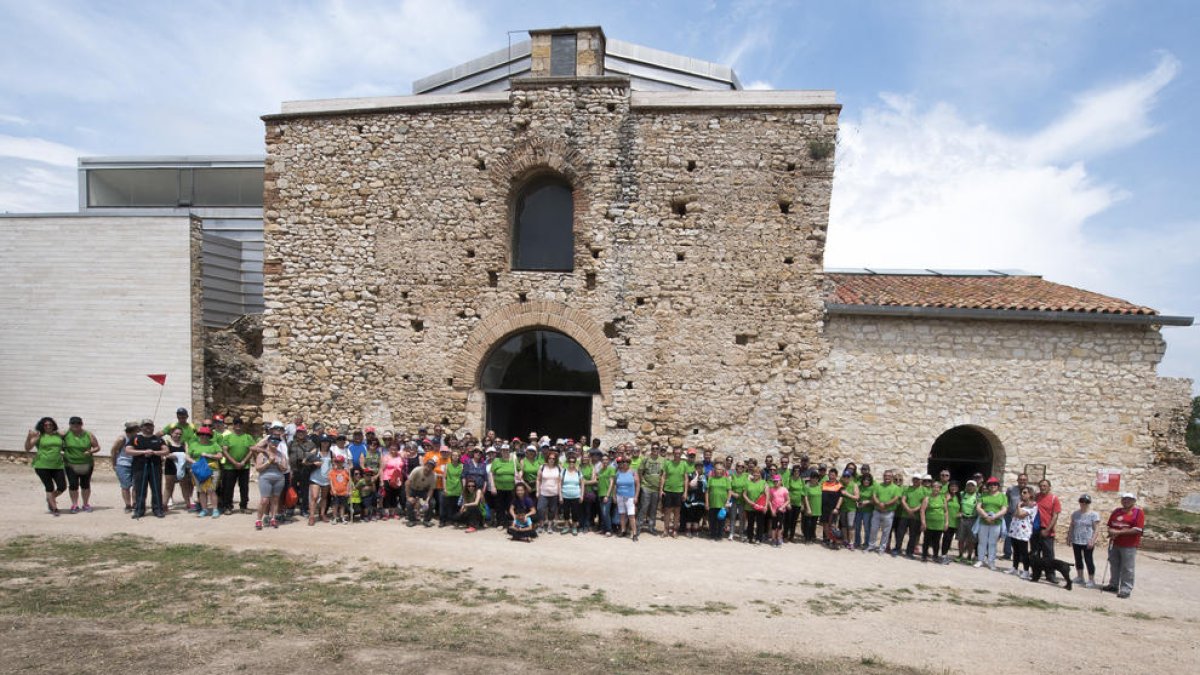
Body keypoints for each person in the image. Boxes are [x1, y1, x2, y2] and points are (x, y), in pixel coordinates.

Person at [1104, 492, 1144, 599]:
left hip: (1129, 544)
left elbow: (1137, 529)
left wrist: (1118, 533)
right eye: (1124, 499)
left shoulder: (1138, 512)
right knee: (1114, 564)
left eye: (1129, 499)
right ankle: (1113, 584)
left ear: (1134, 501)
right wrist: (1111, 531)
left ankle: (1126, 588)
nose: (1126, 501)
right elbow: (1110, 525)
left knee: (1127, 567)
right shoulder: (1117, 511)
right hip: (1115, 543)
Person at [127, 419, 168, 518]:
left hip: (155, 467)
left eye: (150, 426)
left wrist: (154, 452)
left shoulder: (158, 439)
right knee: (140, 489)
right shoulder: (136, 438)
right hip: (140, 467)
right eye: (146, 426)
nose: (148, 428)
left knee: (156, 488)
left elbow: (166, 450)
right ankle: (139, 510)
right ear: (141, 428)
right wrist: (144, 452)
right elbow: (128, 450)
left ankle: (158, 509)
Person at [26, 417, 66, 515]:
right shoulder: (39, 436)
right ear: (42, 426)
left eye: (50, 424)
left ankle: (50, 498)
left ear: (53, 425)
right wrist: (29, 437)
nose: (48, 426)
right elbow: (28, 448)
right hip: (42, 465)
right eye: (46, 425)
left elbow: (68, 436)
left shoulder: (58, 435)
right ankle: (54, 508)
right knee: (49, 487)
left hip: (57, 465)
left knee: (62, 486)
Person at [61, 416, 100, 513]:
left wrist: (90, 451)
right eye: (73, 423)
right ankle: (74, 504)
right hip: (70, 463)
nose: (75, 425)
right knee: (73, 484)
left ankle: (86, 504)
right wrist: (61, 452)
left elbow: (97, 447)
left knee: (85, 484)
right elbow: (56, 442)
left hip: (86, 463)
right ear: (70, 424)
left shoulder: (88, 434)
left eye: (78, 423)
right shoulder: (65, 434)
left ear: (81, 424)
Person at [218, 418, 257, 515]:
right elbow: (225, 451)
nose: (238, 425)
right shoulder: (227, 437)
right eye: (236, 424)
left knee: (244, 487)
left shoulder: (248, 437)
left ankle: (244, 506)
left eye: (240, 424)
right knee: (228, 487)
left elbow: (252, 450)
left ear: (242, 425)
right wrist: (234, 462)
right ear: (233, 425)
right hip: (229, 467)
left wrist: (243, 461)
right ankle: (228, 506)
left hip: (245, 466)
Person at [186, 426, 222, 518]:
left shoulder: (214, 444)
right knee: (201, 490)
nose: (204, 436)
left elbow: (219, 456)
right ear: (199, 435)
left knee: (211, 490)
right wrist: (195, 462)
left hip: (212, 469)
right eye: (202, 434)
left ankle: (215, 509)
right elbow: (187, 456)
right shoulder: (194, 444)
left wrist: (208, 455)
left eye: (206, 434)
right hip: (198, 470)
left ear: (209, 436)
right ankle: (204, 509)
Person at [1033, 479, 1063, 583]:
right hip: (1036, 528)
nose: (1043, 487)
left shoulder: (1054, 499)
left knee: (1048, 554)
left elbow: (1055, 516)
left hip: (1047, 529)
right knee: (1035, 552)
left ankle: (1050, 574)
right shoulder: (1036, 497)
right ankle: (1036, 572)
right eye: (1041, 485)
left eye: (1045, 486)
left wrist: (1047, 529)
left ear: (1049, 487)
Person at [975, 477, 1008, 570]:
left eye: (995, 484)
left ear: (998, 486)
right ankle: (980, 560)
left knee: (992, 543)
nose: (993, 486)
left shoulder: (1003, 496)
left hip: (996, 522)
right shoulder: (983, 495)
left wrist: (994, 517)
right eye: (990, 484)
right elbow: (978, 507)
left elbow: (1004, 509)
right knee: (982, 542)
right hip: (984, 521)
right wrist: (986, 516)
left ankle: (991, 561)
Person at [1068, 494, 1101, 588]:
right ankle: (1080, 576)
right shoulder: (1075, 514)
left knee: (1088, 560)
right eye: (1082, 501)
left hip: (1087, 540)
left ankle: (1091, 579)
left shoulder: (1094, 515)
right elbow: (1072, 526)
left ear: (1089, 503)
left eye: (1086, 502)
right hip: (1077, 539)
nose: (1083, 503)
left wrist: (1093, 540)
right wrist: (1069, 536)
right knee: (1078, 559)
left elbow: (1096, 529)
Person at [1006, 486, 1036, 579]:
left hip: (1024, 531)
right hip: (1015, 529)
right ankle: (1015, 568)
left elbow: (1021, 515)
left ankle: (1026, 570)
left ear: (1030, 494)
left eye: (1025, 492)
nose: (1022, 494)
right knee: (1016, 550)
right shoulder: (1022, 505)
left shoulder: (1033, 505)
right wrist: (1019, 507)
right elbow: (1014, 514)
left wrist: (1018, 507)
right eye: (1022, 493)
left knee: (1024, 552)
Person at [869, 470, 902, 554]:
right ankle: (871, 546)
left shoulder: (896, 488)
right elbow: (874, 496)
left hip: (888, 513)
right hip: (877, 511)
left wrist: (885, 504)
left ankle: (881, 549)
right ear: (883, 476)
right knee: (873, 530)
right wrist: (879, 503)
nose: (887, 477)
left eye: (889, 476)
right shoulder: (878, 486)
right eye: (885, 475)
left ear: (892, 477)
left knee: (886, 532)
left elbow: (895, 498)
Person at [659, 447, 689, 538]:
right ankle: (665, 530)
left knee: (677, 512)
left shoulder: (684, 464)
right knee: (667, 512)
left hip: (679, 491)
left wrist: (685, 492)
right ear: (673, 454)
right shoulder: (668, 463)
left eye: (679, 453)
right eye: (676, 453)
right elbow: (663, 477)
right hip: (668, 490)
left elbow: (686, 479)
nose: (677, 455)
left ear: (681, 454)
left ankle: (675, 531)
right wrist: (661, 490)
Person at [288, 424, 316, 516]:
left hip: (305, 469)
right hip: (294, 469)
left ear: (305, 433)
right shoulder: (291, 443)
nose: (300, 433)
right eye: (299, 432)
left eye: (302, 432)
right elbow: (287, 456)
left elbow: (314, 454)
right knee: (292, 489)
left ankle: (304, 509)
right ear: (296, 433)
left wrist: (306, 459)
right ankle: (291, 508)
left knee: (305, 490)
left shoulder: (310, 444)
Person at [162, 426, 191, 512]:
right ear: (171, 433)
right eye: (176, 433)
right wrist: (178, 455)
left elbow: (187, 454)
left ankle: (188, 503)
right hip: (170, 467)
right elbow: (165, 455)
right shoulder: (166, 443)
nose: (178, 435)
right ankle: (164, 505)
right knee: (168, 487)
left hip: (182, 467)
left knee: (185, 486)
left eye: (180, 434)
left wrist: (176, 455)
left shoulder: (184, 443)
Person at [111, 421, 139, 512]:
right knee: (125, 486)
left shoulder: (137, 438)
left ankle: (135, 503)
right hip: (123, 464)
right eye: (136, 428)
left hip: (135, 464)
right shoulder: (122, 439)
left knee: (136, 485)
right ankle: (128, 504)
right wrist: (114, 464)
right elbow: (114, 451)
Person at [306, 435, 333, 525]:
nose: (325, 443)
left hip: (326, 478)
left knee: (324, 497)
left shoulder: (331, 453)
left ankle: (322, 514)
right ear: (320, 442)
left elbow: (334, 464)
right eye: (323, 441)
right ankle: (312, 516)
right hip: (315, 478)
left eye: (327, 441)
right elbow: (305, 461)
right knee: (314, 497)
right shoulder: (315, 451)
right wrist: (314, 463)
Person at [488, 444, 517, 529]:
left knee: (510, 506)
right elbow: (491, 473)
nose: (505, 452)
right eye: (503, 450)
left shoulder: (513, 461)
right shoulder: (496, 461)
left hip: (511, 488)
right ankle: (500, 523)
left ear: (509, 451)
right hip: (499, 487)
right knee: (499, 506)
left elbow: (519, 470)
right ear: (501, 451)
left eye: (507, 450)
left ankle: (509, 522)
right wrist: (492, 486)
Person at [612, 456, 640, 541]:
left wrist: (636, 496)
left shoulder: (633, 472)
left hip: (630, 497)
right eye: (623, 462)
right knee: (622, 514)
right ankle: (623, 530)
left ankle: (634, 533)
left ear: (629, 463)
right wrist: (614, 496)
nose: (625, 463)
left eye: (627, 462)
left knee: (631, 515)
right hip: (620, 496)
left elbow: (638, 485)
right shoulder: (618, 472)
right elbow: (615, 485)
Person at [638, 444, 664, 534]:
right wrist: (642, 483)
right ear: (651, 449)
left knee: (653, 509)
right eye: (653, 448)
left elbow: (663, 474)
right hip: (646, 487)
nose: (655, 450)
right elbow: (640, 471)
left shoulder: (663, 460)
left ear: (659, 449)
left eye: (657, 448)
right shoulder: (645, 459)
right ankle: (639, 527)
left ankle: (651, 527)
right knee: (644, 507)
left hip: (656, 488)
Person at [920, 479, 948, 563]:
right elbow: (922, 510)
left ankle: (935, 556)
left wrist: (946, 522)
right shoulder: (927, 498)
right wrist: (923, 522)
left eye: (938, 487)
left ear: (940, 489)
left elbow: (946, 511)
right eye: (934, 487)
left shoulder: (943, 498)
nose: (936, 489)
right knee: (927, 540)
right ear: (931, 488)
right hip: (929, 523)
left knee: (937, 541)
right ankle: (924, 556)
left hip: (939, 523)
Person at [1002, 473, 1028, 560]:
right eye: (1020, 479)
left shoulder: (1030, 491)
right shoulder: (1011, 489)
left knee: (1021, 536)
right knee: (1008, 535)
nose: (1022, 481)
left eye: (1024, 480)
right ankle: (1007, 553)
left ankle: (1020, 556)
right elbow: (1007, 501)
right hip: (1011, 515)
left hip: (1023, 517)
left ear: (1027, 481)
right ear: (1017, 480)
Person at [535, 451, 563, 534]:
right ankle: (541, 525)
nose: (551, 460)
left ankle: (550, 526)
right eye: (550, 458)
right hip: (543, 492)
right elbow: (538, 479)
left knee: (552, 510)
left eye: (553, 458)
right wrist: (537, 491)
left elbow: (560, 481)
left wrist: (560, 493)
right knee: (540, 509)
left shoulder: (558, 468)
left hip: (554, 493)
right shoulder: (542, 467)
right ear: (547, 458)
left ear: (556, 459)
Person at [405, 458, 437, 527]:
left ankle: (426, 520)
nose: (428, 468)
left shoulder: (434, 476)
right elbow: (407, 483)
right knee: (409, 503)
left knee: (432, 502)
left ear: (433, 468)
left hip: (423, 490)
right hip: (413, 489)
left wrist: (427, 501)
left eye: (431, 467)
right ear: (424, 465)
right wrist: (408, 497)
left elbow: (431, 489)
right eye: (428, 466)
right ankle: (411, 520)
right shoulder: (417, 470)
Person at [379, 442, 407, 520]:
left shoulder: (400, 457)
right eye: (392, 449)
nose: (393, 451)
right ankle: (386, 514)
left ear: (398, 450)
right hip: (387, 478)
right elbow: (381, 469)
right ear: (389, 449)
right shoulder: (386, 457)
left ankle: (394, 513)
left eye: (395, 449)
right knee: (387, 496)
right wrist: (381, 481)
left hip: (398, 479)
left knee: (395, 495)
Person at [706, 464, 732, 541]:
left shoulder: (726, 479)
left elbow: (729, 491)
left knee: (721, 520)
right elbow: (707, 491)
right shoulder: (711, 479)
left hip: (722, 504)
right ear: (714, 470)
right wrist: (707, 502)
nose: (719, 471)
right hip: (712, 503)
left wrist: (727, 501)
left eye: (720, 469)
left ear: (723, 471)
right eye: (717, 469)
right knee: (712, 520)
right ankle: (712, 534)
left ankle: (719, 536)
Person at [957, 480, 981, 562]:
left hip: (973, 519)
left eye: (972, 486)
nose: (970, 487)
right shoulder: (962, 494)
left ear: (976, 487)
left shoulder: (978, 496)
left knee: (971, 540)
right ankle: (960, 554)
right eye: (968, 485)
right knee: (961, 538)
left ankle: (969, 556)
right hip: (962, 519)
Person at [682, 460, 707, 537]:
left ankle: (695, 531)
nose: (699, 468)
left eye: (701, 466)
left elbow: (706, 489)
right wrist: (696, 476)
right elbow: (689, 485)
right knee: (690, 516)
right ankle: (688, 531)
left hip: (701, 500)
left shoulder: (704, 477)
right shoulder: (690, 475)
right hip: (691, 499)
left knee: (697, 516)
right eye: (698, 466)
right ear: (695, 467)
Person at [742, 469, 768, 545]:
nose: (755, 474)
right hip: (750, 506)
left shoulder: (764, 482)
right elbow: (744, 494)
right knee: (750, 523)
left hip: (760, 507)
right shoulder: (748, 483)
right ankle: (750, 537)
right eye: (754, 473)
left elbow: (767, 495)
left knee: (760, 524)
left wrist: (766, 506)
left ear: (760, 474)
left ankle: (758, 539)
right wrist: (750, 502)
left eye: (757, 473)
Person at [560, 455, 584, 535]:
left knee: (575, 512)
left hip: (576, 495)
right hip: (565, 495)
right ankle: (566, 526)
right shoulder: (563, 471)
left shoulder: (578, 472)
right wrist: (560, 495)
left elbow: (582, 484)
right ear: (567, 462)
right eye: (570, 461)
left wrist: (582, 495)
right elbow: (559, 484)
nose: (571, 463)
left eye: (573, 462)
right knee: (566, 512)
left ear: (575, 463)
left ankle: (574, 527)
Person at [440, 449, 464, 527]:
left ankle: (455, 521)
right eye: (453, 455)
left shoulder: (462, 466)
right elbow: (444, 478)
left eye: (457, 455)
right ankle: (443, 521)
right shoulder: (447, 465)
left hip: (458, 488)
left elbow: (463, 478)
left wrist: (463, 489)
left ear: (459, 457)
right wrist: (444, 488)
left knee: (456, 506)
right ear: (451, 456)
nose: (455, 457)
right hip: (449, 487)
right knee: (445, 505)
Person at [767, 474, 790, 547]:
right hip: (774, 510)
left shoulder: (784, 489)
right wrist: (772, 510)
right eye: (774, 481)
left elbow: (788, 500)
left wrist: (782, 507)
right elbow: (769, 500)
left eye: (777, 481)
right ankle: (773, 539)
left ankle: (779, 538)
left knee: (780, 525)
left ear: (780, 481)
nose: (775, 483)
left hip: (781, 511)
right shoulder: (771, 489)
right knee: (774, 526)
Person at [941, 480, 960, 564]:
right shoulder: (946, 496)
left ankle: (944, 555)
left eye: (955, 486)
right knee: (945, 539)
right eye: (952, 486)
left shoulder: (958, 497)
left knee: (949, 539)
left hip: (954, 522)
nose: (953, 488)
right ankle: (943, 556)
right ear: (949, 487)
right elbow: (942, 506)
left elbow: (960, 508)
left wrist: (960, 513)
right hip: (946, 521)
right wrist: (947, 500)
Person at [328, 456, 352, 524]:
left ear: (343, 462)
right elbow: (331, 482)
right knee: (335, 505)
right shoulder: (332, 471)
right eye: (337, 462)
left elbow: (349, 482)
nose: (338, 463)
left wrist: (348, 490)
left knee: (342, 505)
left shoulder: (346, 471)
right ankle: (335, 518)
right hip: (335, 492)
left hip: (344, 492)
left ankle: (342, 517)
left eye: (340, 462)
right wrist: (332, 489)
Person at [855, 474, 876, 552]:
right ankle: (857, 542)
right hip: (859, 510)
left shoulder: (872, 488)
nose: (866, 481)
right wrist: (857, 502)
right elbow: (856, 496)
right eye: (865, 479)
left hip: (868, 511)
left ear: (870, 481)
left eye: (868, 480)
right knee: (857, 527)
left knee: (867, 528)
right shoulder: (859, 487)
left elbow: (875, 500)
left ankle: (866, 543)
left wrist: (867, 502)